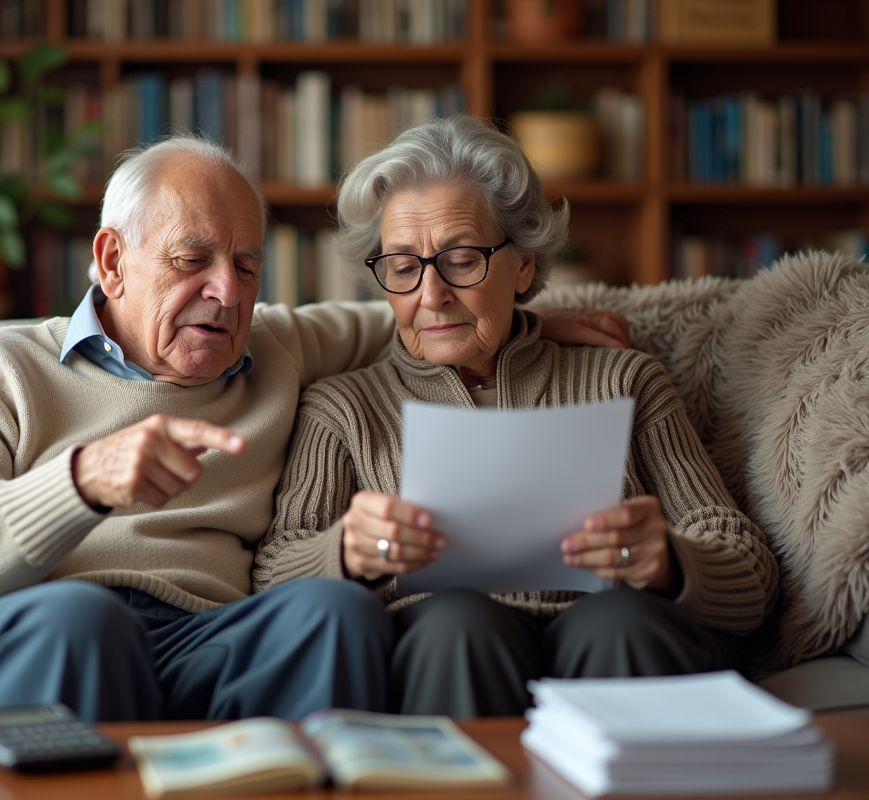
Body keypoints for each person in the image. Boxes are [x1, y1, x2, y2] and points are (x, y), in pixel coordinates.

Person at [0, 133, 630, 724]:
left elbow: (413, 307)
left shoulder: (274, 348)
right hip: (13, 634)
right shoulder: (1, 369)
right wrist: (79, 483)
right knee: (83, 623)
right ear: (111, 259)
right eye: (193, 260)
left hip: (202, 636)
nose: (227, 295)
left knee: (337, 611)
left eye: (248, 266)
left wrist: (522, 317)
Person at [253, 116, 780, 718]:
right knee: (458, 620)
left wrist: (671, 561)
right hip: (443, 644)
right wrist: (348, 550)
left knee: (617, 621)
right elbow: (274, 576)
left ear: (524, 266)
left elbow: (751, 573)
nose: (431, 295)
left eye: (461, 259)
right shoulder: (343, 408)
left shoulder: (624, 380)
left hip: (614, 629)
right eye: (402, 267)